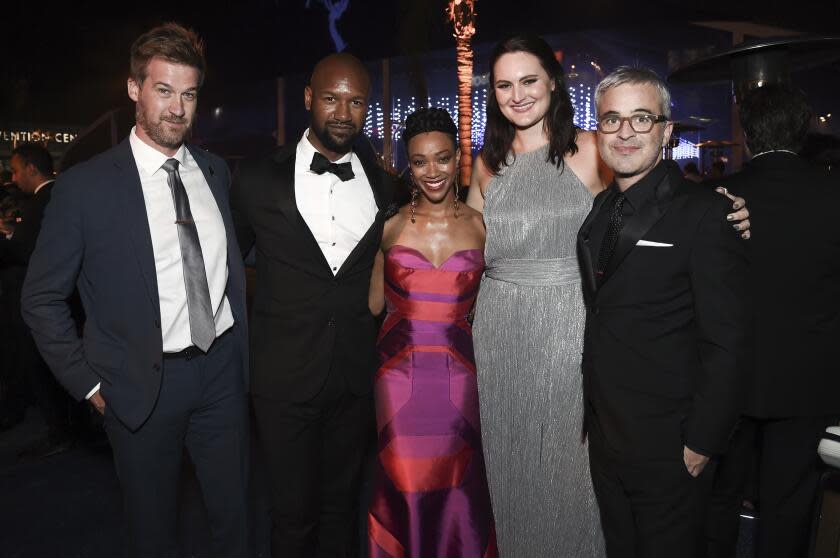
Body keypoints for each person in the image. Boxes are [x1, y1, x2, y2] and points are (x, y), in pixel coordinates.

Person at [466, 35, 751, 557]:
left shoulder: (593, 149)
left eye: (529, 80)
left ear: (553, 81)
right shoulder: (486, 163)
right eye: (505, 85)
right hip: (500, 337)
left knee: (571, 477)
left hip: (569, 335)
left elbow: (657, 200)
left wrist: (731, 205)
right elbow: (467, 246)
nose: (518, 94)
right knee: (510, 465)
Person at [21, 23, 249, 557]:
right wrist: (89, 385)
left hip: (221, 375)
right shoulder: (85, 188)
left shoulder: (214, 171)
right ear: (133, 89)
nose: (177, 108)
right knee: (153, 534)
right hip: (141, 387)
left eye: (188, 94)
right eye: (163, 90)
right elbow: (40, 298)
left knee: (235, 519)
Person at [578, 66, 748, 558]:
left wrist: (703, 440)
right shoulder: (600, 210)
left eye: (641, 118)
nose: (625, 131)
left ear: (666, 131)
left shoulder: (706, 212)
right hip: (608, 440)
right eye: (612, 120)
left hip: (672, 446)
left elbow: (728, 339)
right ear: (598, 131)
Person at [230, 53, 394, 557]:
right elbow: (228, 270)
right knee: (291, 517)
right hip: (282, 381)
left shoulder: (387, 186)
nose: (343, 111)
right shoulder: (256, 178)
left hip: (353, 378)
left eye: (356, 101)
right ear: (308, 98)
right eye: (330, 98)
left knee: (342, 512)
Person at [709, 84, 840, 558]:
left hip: (730, 377)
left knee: (719, 501)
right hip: (809, 379)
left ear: (747, 134)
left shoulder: (717, 197)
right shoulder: (833, 193)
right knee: (788, 508)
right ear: (802, 131)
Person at [366, 107, 496, 557]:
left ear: (458, 155)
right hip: (398, 379)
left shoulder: (482, 227)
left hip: (461, 378)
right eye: (420, 162)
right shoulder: (388, 227)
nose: (432, 172)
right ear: (408, 165)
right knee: (403, 483)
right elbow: (371, 306)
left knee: (458, 485)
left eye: (442, 158)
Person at [1, 144, 78, 456]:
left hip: (42, 301)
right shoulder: (58, 197)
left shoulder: (41, 202)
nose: (14, 178)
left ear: (32, 169)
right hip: (64, 300)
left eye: (17, 170)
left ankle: (60, 432)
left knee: (42, 365)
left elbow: (24, 252)